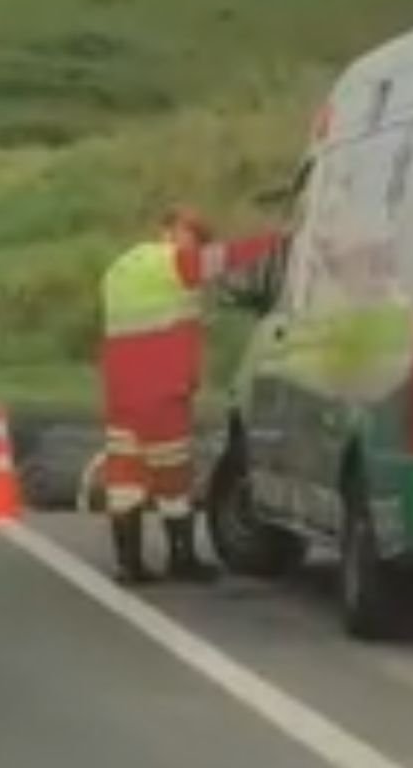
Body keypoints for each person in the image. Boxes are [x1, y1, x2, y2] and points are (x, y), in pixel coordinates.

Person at [99, 207, 280, 585]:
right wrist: (280, 239)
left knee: (125, 477)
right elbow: (225, 258)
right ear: (175, 232)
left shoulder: (120, 268)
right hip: (162, 390)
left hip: (121, 391)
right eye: (196, 237)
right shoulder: (173, 265)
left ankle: (128, 562)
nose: (197, 245)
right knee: (174, 477)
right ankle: (182, 559)